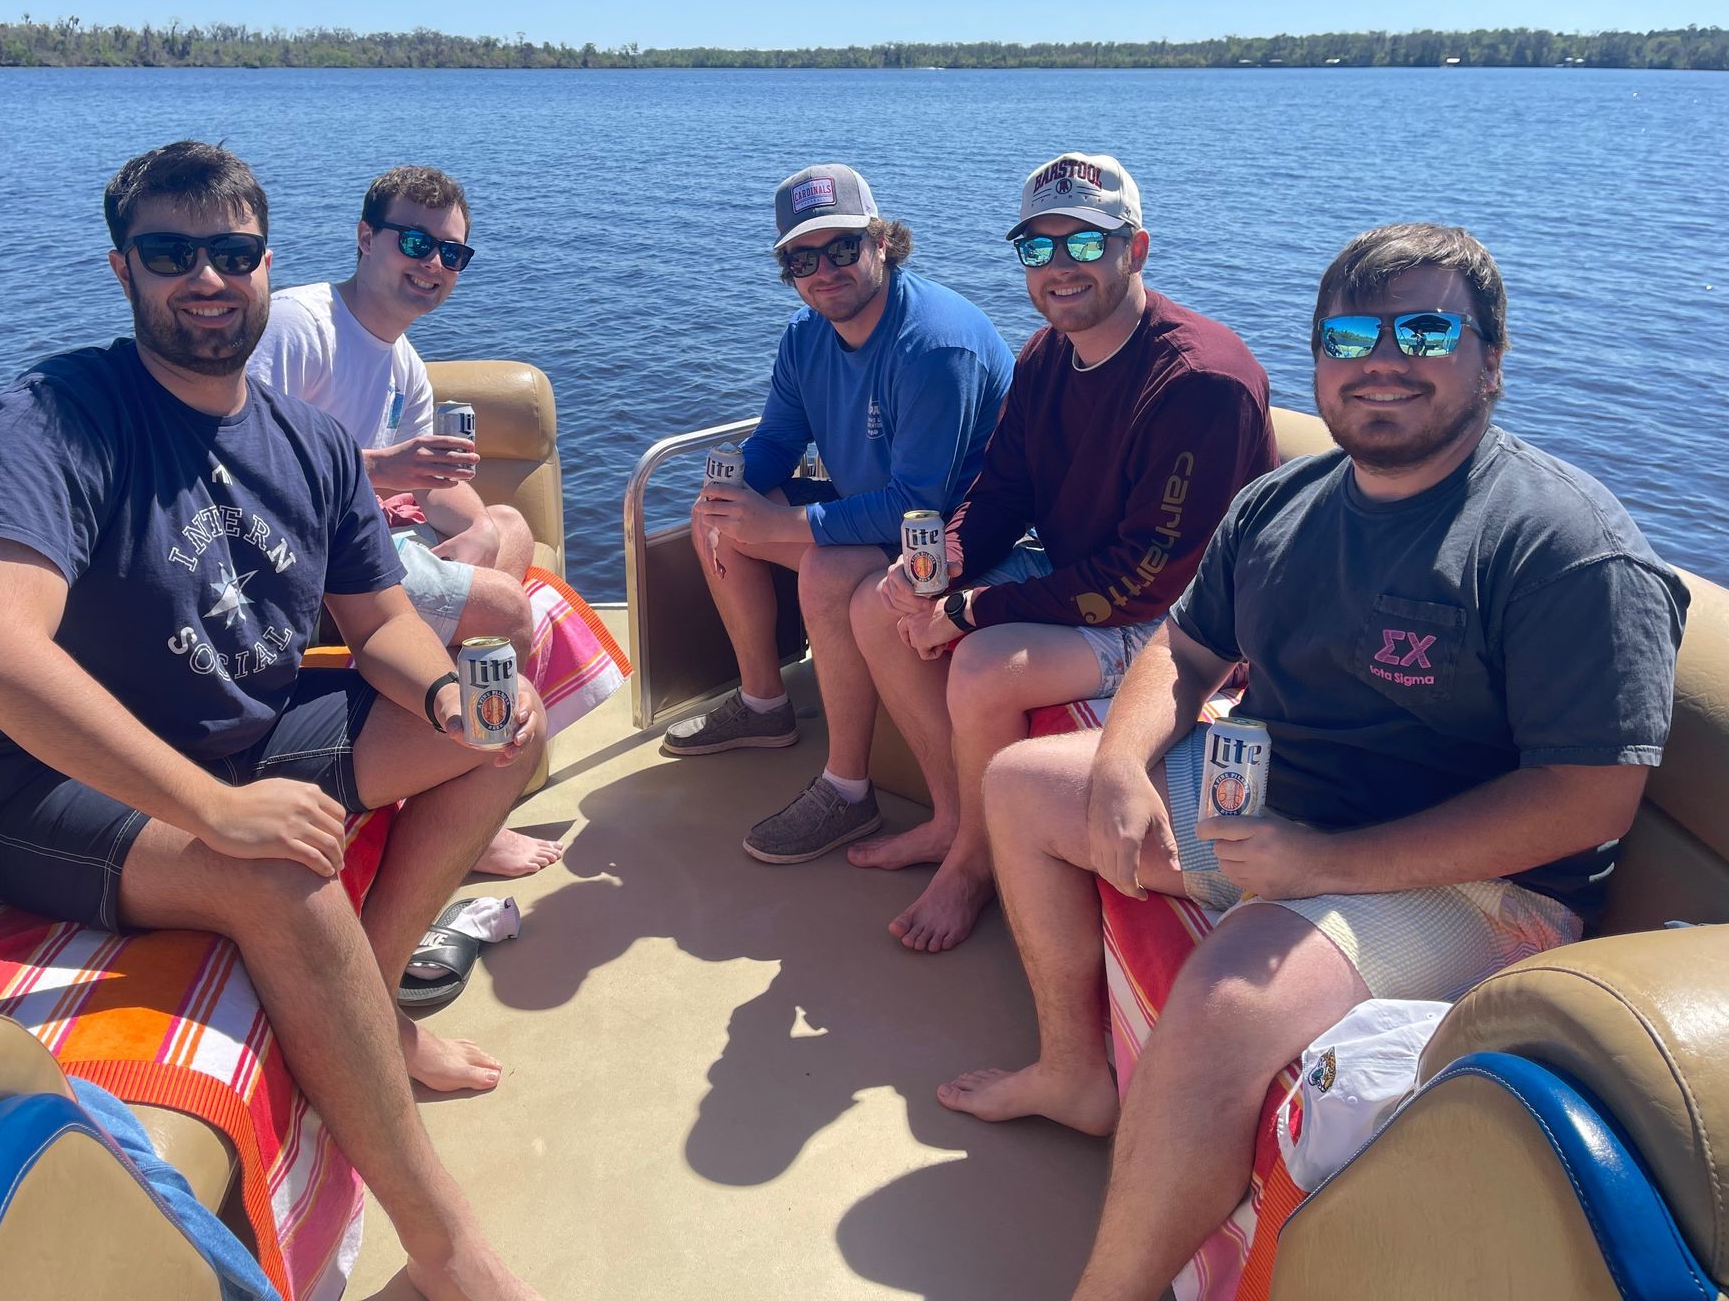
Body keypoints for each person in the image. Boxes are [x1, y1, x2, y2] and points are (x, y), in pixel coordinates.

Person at [938, 223, 1690, 1301]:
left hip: (1474, 883)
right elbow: (1182, 650)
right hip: (1282, 814)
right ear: (1319, 359)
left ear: (1492, 357)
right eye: (1352, 333)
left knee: (1225, 1005)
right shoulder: (1279, 506)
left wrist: (1325, 861)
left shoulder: (1559, 544)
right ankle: (1074, 1072)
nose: (1384, 358)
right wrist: (1123, 764)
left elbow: (1590, 799)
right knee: (1020, 787)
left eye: (1427, 330)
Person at [0, 141, 550, 1301]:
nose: (205, 278)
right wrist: (217, 812)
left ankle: (365, 995)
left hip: (234, 730)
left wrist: (448, 694)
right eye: (172, 253)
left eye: (232, 251)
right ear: (124, 267)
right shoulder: (58, 416)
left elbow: (379, 626)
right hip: (22, 781)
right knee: (277, 871)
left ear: (268, 264)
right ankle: (448, 1255)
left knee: (504, 730)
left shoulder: (305, 443)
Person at [846, 152, 1277, 952]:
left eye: (1083, 244)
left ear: (1135, 249)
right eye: (1037, 249)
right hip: (1087, 574)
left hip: (1185, 625)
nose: (1059, 268)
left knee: (983, 664)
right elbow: (1002, 494)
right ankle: (952, 821)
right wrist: (936, 569)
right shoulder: (1046, 356)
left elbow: (1145, 579)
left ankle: (975, 862)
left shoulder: (1198, 385)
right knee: (878, 604)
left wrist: (971, 610)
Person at [663, 163, 1014, 865]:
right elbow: (776, 440)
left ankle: (847, 791)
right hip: (883, 518)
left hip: (956, 541)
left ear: (882, 242)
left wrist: (781, 526)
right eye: (802, 257)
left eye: (842, 248)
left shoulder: (933, 347)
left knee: (824, 570)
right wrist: (735, 496)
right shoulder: (805, 335)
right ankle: (764, 707)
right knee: (716, 518)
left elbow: (916, 508)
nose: (824, 270)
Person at [251, 164, 559, 879]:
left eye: (452, 253)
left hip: (365, 540)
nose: (433, 265)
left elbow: (436, 492)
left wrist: (480, 530)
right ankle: (470, 813)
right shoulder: (300, 326)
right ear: (365, 237)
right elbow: (243, 465)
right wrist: (382, 471)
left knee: (508, 525)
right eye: (416, 243)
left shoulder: (406, 366)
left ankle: (443, 743)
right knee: (505, 607)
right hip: (305, 566)